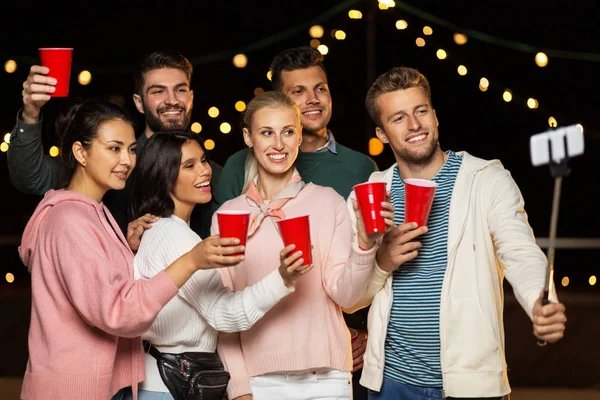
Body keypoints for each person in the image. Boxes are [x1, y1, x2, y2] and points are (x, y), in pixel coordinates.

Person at [346, 66, 567, 400]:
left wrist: (540, 300)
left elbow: (520, 252)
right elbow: (352, 300)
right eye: (398, 118)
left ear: (434, 117)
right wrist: (381, 261)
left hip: (472, 385)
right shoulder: (370, 195)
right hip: (391, 384)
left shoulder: (486, 179)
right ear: (381, 133)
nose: (414, 125)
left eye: (421, 111)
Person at [17, 99, 244, 400]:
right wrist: (190, 261)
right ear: (80, 152)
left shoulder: (94, 213)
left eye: (131, 149)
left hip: (99, 385)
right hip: (73, 389)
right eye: (114, 148)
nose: (126, 160)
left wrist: (123, 248)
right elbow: (118, 312)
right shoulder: (69, 219)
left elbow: (96, 283)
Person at [215, 46, 377, 397]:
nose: (278, 143)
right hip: (260, 379)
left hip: (329, 376)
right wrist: (239, 387)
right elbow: (220, 306)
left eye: (288, 132)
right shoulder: (228, 213)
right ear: (249, 138)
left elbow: (346, 294)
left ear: (298, 134)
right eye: (267, 133)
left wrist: (365, 244)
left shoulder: (330, 200)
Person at [127, 131, 310, 399]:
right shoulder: (172, 234)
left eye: (203, 161)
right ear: (164, 178)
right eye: (189, 166)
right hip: (170, 386)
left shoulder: (165, 231)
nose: (204, 171)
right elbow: (226, 314)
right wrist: (282, 277)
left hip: (171, 382)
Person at [7, 50, 219, 237]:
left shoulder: (212, 173)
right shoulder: (115, 162)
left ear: (191, 96)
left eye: (180, 90)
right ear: (139, 102)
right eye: (158, 91)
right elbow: (29, 177)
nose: (172, 100)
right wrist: (31, 113)